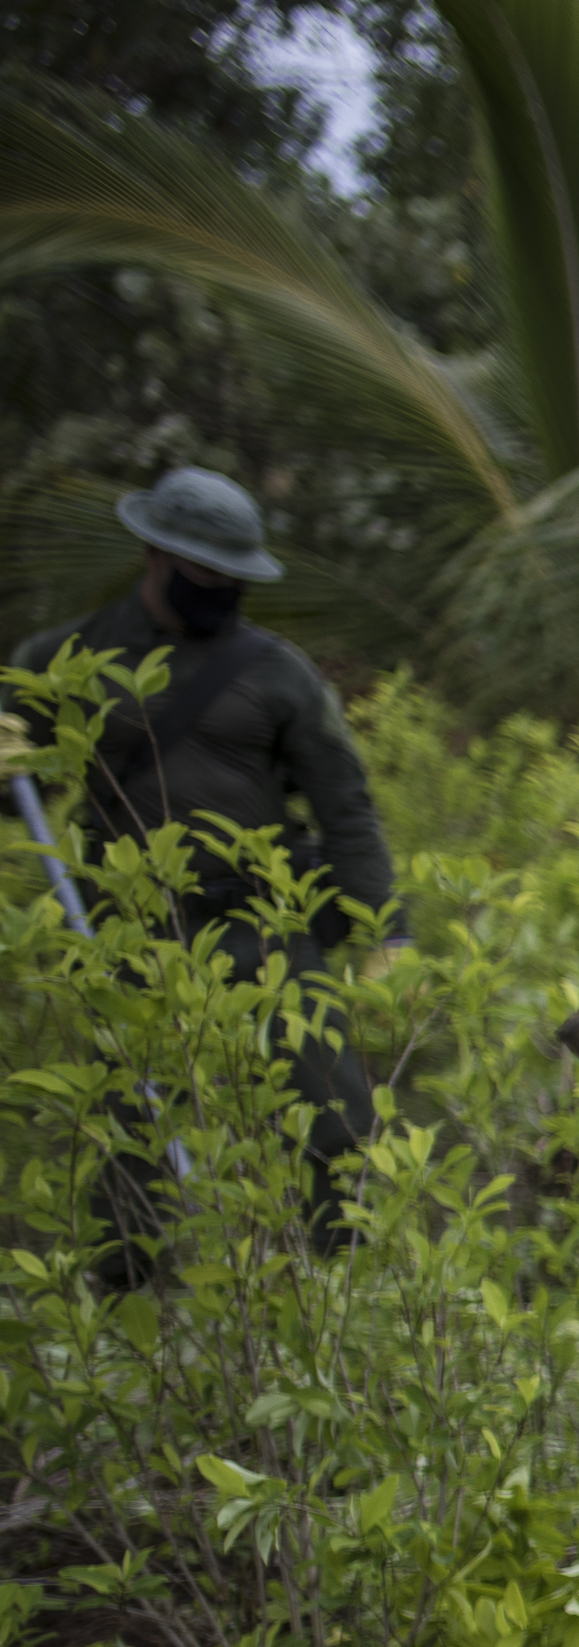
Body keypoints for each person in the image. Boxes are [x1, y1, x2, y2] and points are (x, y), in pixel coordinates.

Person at [9, 464, 398, 1251]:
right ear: (154, 554)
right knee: (130, 1133)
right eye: (202, 572)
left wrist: (386, 931)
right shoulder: (66, 657)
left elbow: (345, 805)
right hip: (131, 932)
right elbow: (17, 786)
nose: (219, 586)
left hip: (265, 924)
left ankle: (345, 1291)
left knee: (334, 1116)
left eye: (233, 576)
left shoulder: (277, 672)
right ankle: (135, 1318)